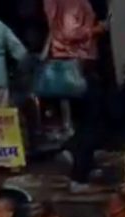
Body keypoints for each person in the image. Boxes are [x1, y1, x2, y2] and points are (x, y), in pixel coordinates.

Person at [44, 0, 107, 191]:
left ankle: (78, 157)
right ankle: (78, 174)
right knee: (91, 120)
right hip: (78, 64)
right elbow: (69, 32)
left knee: (84, 119)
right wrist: (96, 30)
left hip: (68, 64)